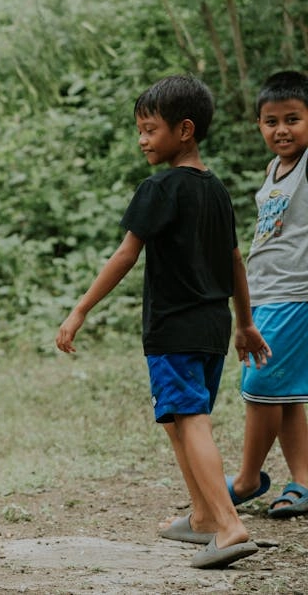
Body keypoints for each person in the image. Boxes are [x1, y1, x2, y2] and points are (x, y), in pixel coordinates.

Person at [54, 75, 271, 569]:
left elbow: (126, 254)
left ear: (185, 130)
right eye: (140, 130)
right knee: (178, 419)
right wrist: (245, 323)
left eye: (150, 129)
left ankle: (229, 524)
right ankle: (200, 517)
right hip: (214, 328)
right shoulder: (216, 189)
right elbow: (235, 261)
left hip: (173, 327)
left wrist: (81, 308)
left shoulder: (159, 187)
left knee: (190, 420)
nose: (142, 140)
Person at [224, 70, 308, 519]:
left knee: (260, 384)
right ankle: (305, 481)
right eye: (270, 121)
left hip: (296, 293)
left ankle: (247, 479)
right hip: (266, 292)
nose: (281, 129)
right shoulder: (273, 170)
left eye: (293, 119)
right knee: (287, 394)